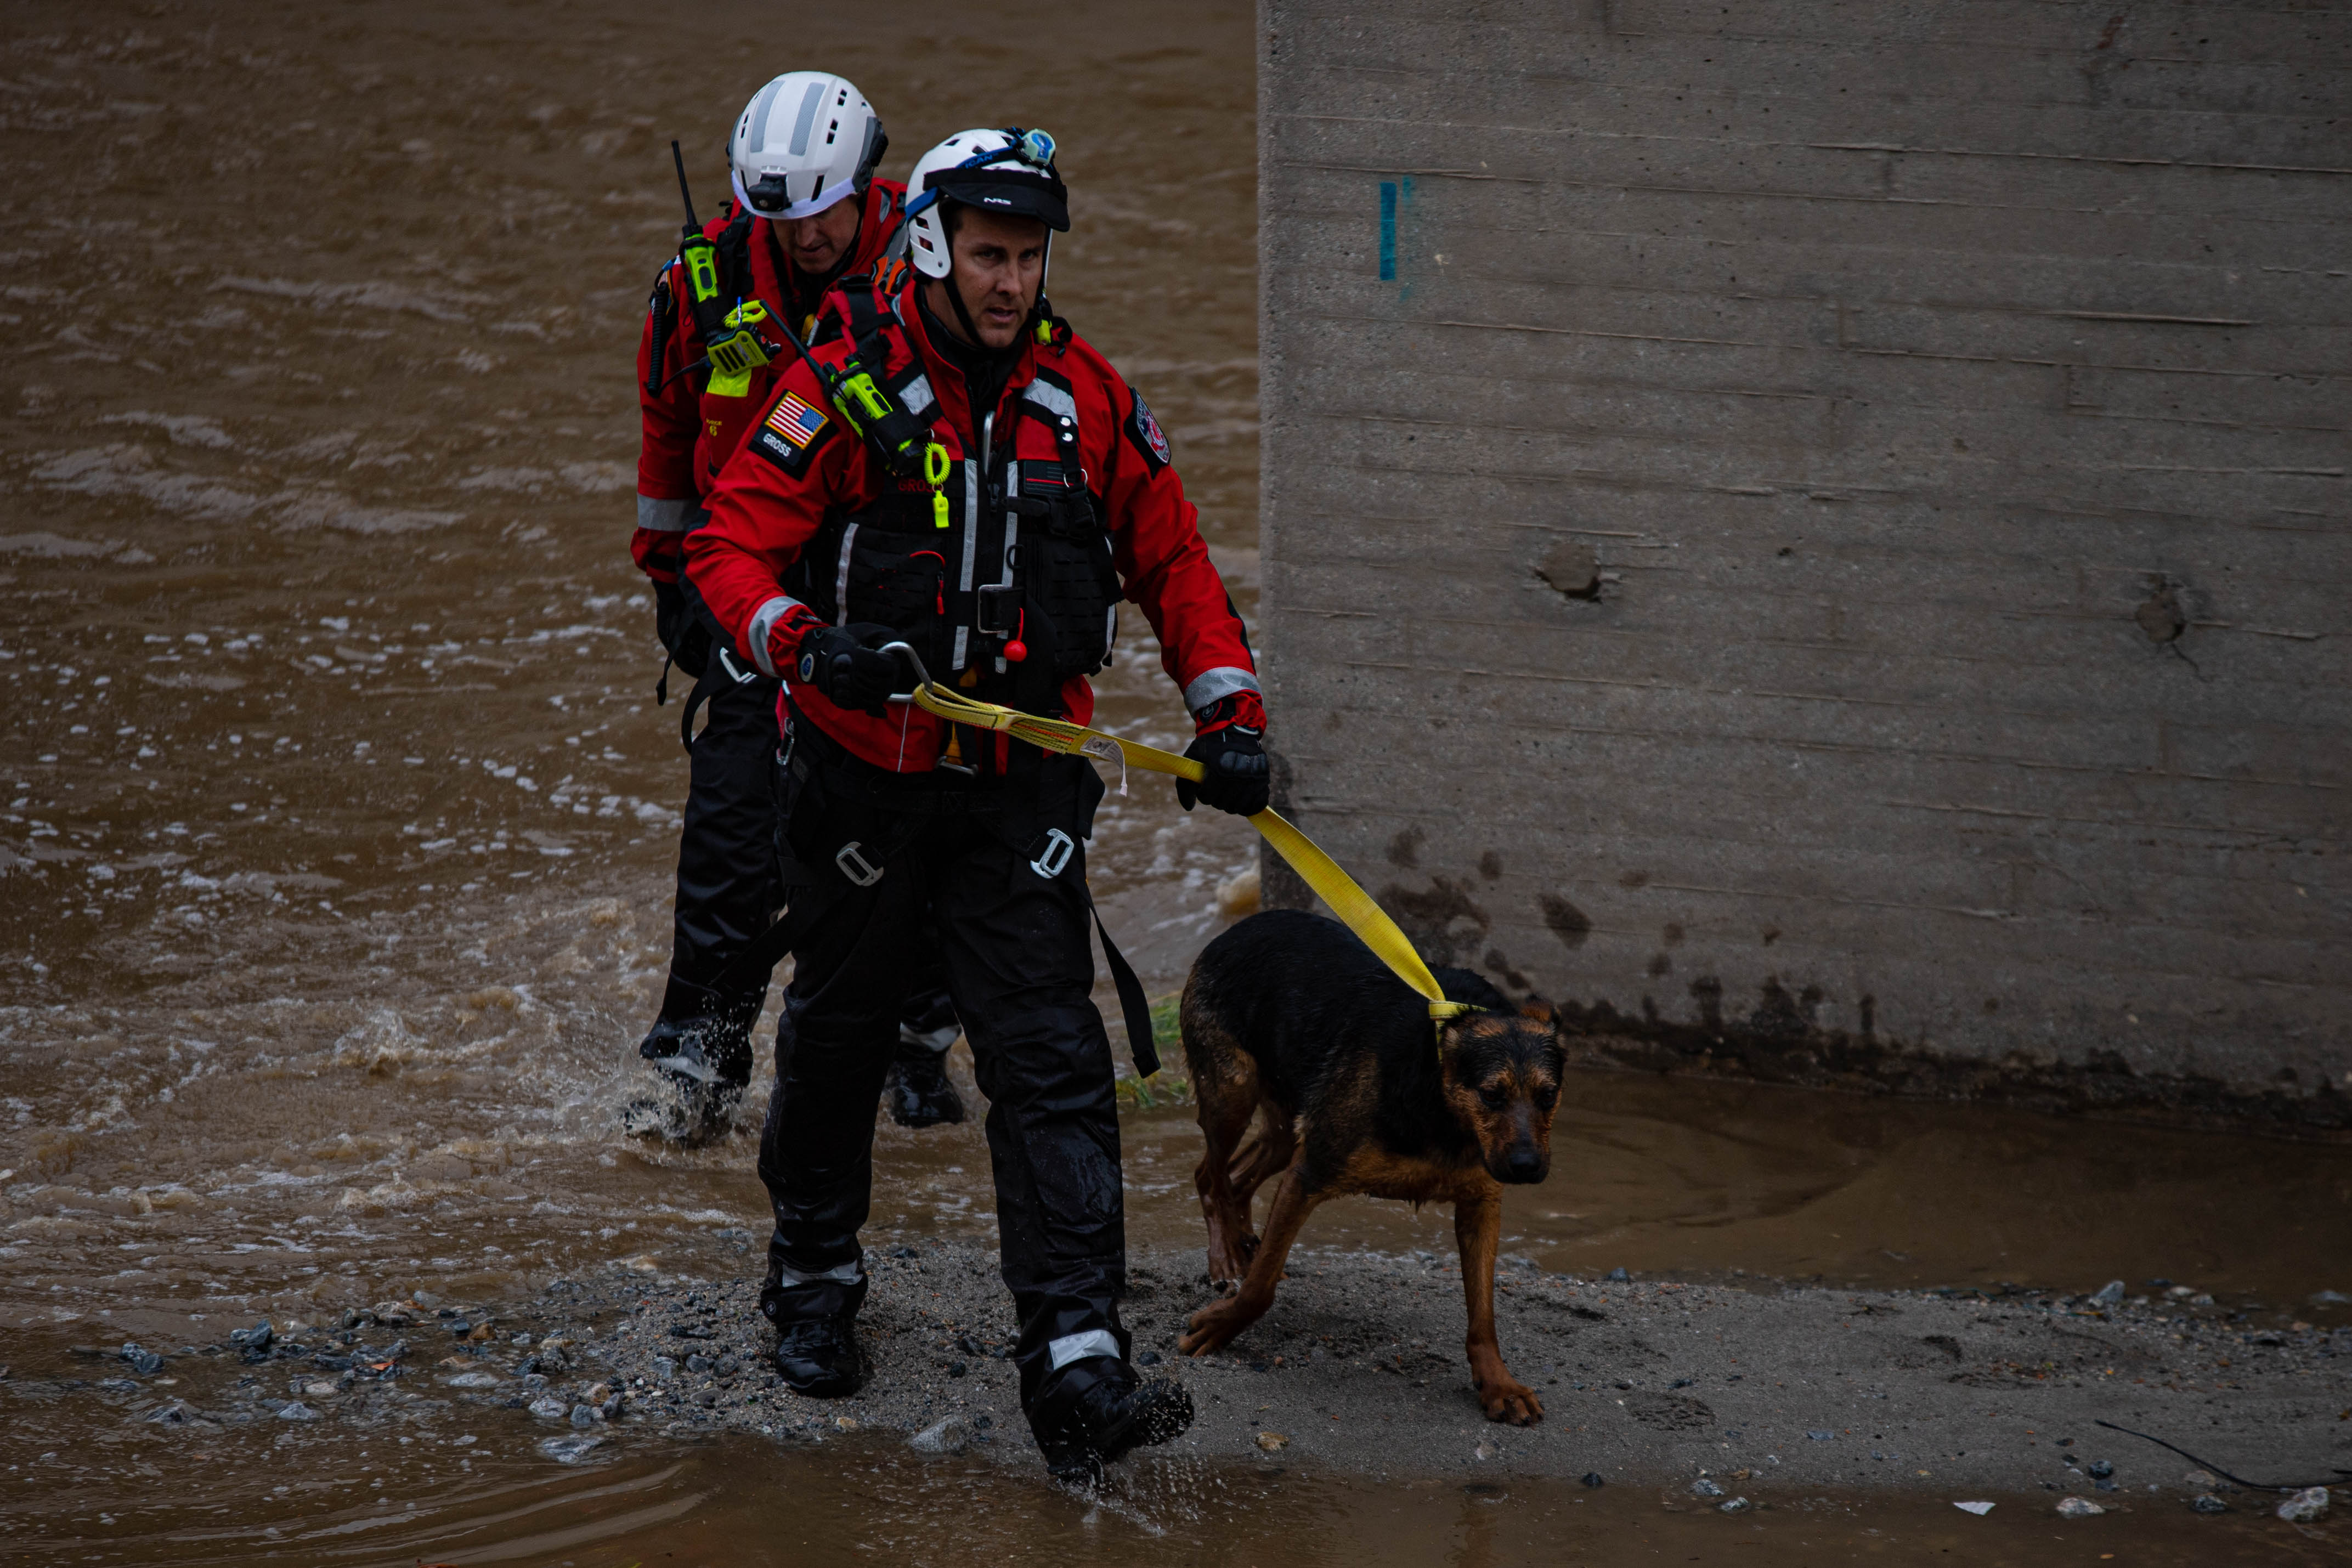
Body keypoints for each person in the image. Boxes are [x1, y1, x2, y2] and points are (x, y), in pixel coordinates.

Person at [683, 127, 1269, 1482]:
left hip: (1021, 795)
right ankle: (814, 1277)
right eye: (989, 253)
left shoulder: (1090, 398)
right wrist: (792, 638)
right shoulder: (835, 387)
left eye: (1029, 255)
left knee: (1052, 1059)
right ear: (935, 245)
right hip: (857, 787)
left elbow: (1173, 560)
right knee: (835, 1036)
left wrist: (1228, 713)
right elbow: (726, 543)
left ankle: (1075, 1355)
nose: (1011, 280)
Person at [629, 72, 963, 1142]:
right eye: (781, 214)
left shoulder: (938, 253)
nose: (807, 234)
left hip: (891, 579)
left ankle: (917, 1036)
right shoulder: (705, 286)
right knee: (731, 828)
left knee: (921, 821)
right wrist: (670, 580)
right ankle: (698, 1051)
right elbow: (668, 439)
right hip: (749, 590)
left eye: (824, 208)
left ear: (865, 184)